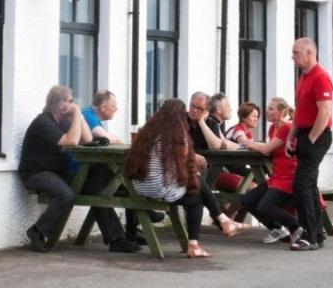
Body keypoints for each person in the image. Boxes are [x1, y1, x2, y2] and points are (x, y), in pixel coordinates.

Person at [19, 85, 140, 253]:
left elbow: (88, 138)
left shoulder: (62, 121)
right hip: (37, 173)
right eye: (70, 101)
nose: (73, 104)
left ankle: (116, 239)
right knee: (66, 195)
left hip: (59, 173)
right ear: (60, 105)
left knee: (98, 190)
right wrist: (77, 112)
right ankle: (37, 231)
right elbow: (71, 142)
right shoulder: (43, 122)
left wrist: (79, 116)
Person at [126, 99, 240, 259]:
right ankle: (203, 236)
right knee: (196, 197)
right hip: (158, 188)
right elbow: (189, 163)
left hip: (140, 187)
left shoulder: (148, 131)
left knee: (196, 185)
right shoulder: (176, 134)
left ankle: (221, 220)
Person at [288, 37, 333, 251]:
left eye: (296, 53)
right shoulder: (303, 78)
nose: (293, 57)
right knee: (309, 185)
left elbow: (325, 112)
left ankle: (309, 234)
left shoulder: (321, 77)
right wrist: (291, 137)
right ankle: (316, 233)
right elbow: (299, 113)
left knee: (301, 184)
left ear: (309, 53)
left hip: (317, 134)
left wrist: (311, 139)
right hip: (305, 132)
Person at [184, 93, 249, 237]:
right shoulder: (182, 120)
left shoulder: (210, 123)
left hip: (205, 169)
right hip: (185, 167)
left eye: (200, 108)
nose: (194, 111)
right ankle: (223, 219)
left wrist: (201, 122)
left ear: (207, 110)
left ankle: (222, 220)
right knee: (200, 184)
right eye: (192, 106)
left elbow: (215, 145)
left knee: (201, 182)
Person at [238, 97, 300, 244]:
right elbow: (268, 149)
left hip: (288, 177)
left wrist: (247, 143)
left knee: (265, 206)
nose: (267, 111)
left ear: (281, 112)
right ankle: (277, 229)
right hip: (276, 177)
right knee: (247, 200)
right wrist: (255, 145)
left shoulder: (286, 127)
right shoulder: (273, 128)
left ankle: (296, 226)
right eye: (268, 108)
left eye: (271, 109)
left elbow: (266, 148)